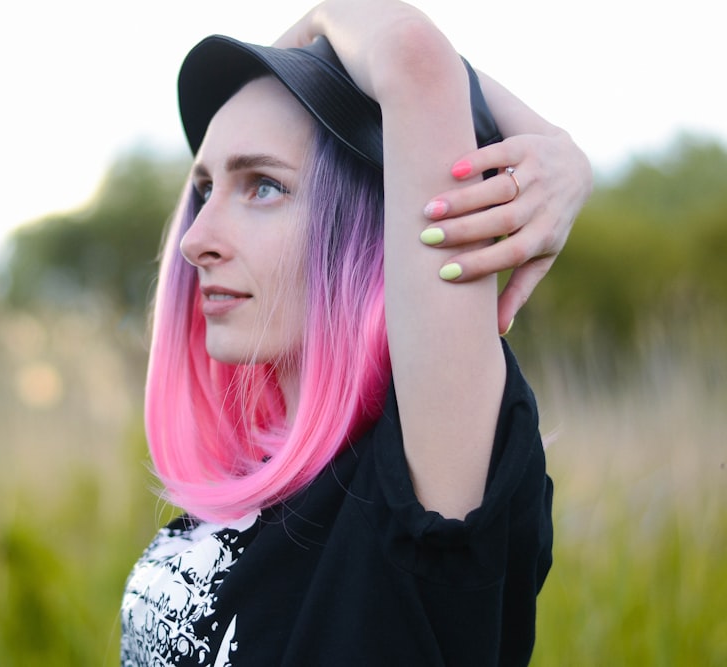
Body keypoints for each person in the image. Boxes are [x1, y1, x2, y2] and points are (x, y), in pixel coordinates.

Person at [120, 1, 592, 664]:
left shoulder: (419, 483)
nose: (195, 240)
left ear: (377, 224)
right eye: (204, 187)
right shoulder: (251, 492)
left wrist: (556, 146)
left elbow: (411, 58)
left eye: (261, 186)